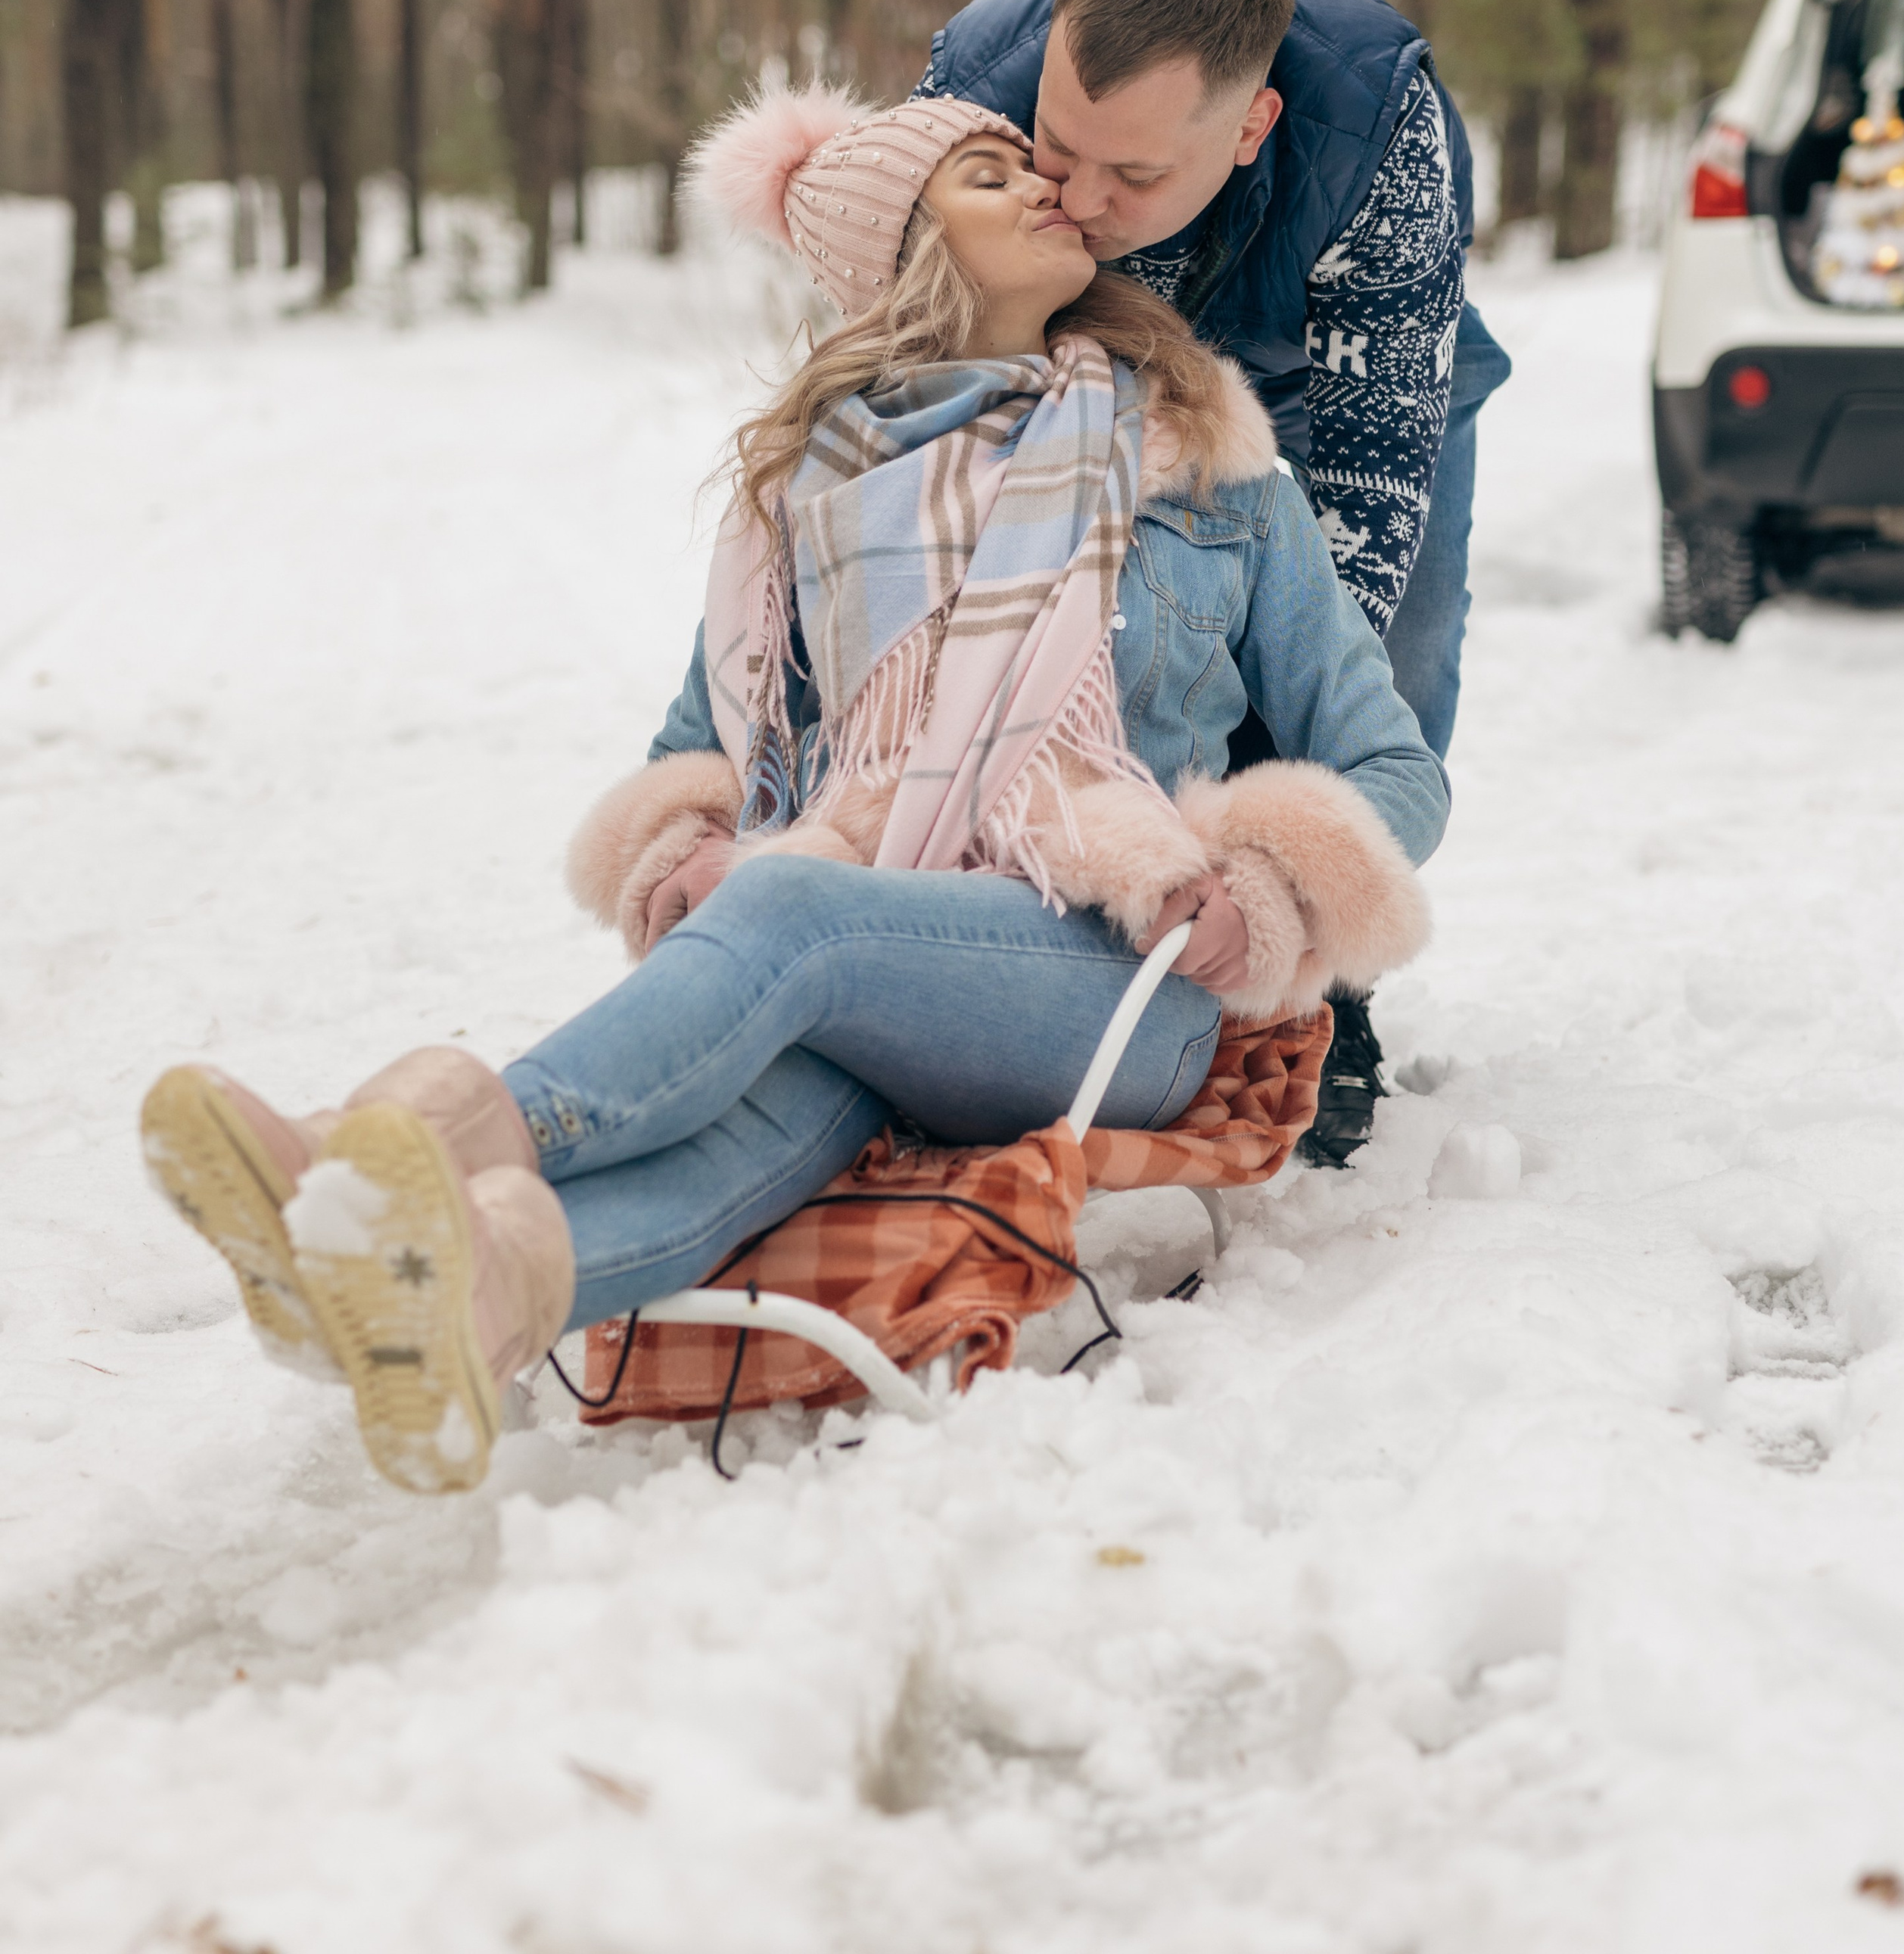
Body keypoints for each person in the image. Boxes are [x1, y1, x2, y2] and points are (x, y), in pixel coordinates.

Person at [140, 91, 1447, 1498]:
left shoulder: (1206, 463)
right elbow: (696, 747)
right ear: (906, 250)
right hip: (877, 963)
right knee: (762, 1104)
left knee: (794, 916)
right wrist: (684, 850)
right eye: (991, 175)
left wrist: (1268, 885)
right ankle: (482, 1297)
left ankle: (374, 1157)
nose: (1046, 189)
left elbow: (1394, 769)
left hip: (1115, 975)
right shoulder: (809, 491)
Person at [915, 0, 1511, 1159]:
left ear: (1252, 127)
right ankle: (1066, 933)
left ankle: (1324, 979)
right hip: (1092, 365)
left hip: (1334, 381)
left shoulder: (1382, 127)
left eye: (1133, 177)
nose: (1080, 197)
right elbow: (910, 335)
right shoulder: (974, 77)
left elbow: (1366, 501)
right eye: (1059, 147)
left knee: (1384, 653)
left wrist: (1275, 827)